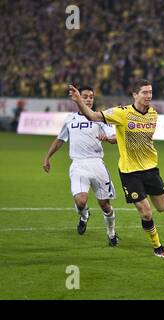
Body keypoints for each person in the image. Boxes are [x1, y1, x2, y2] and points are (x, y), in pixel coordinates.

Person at [68, 80, 164, 258]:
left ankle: (154, 235)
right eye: (144, 92)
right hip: (130, 172)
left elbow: (137, 137)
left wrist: (114, 139)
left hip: (151, 169)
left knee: (162, 207)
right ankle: (158, 247)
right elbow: (93, 116)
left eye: (150, 92)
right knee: (146, 213)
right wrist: (79, 100)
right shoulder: (121, 113)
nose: (148, 96)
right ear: (135, 95)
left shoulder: (153, 114)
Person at [43, 86, 118, 246]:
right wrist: (47, 157)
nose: (89, 99)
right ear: (79, 98)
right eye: (85, 96)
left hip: (97, 164)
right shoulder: (70, 119)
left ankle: (111, 234)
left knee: (105, 205)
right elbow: (60, 139)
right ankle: (84, 216)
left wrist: (109, 138)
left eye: (91, 97)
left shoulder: (100, 118)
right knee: (80, 202)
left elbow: (114, 137)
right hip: (78, 165)